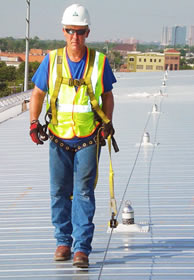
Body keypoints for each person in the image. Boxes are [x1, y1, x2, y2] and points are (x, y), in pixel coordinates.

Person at [29, 3, 116, 268]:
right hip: (58, 137)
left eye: (79, 31)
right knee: (58, 191)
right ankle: (63, 241)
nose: (74, 36)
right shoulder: (52, 60)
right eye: (70, 31)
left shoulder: (99, 62)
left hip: (89, 137)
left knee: (84, 192)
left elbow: (108, 96)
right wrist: (34, 123)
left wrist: (107, 123)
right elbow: (38, 94)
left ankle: (81, 248)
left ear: (87, 32)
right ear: (63, 31)